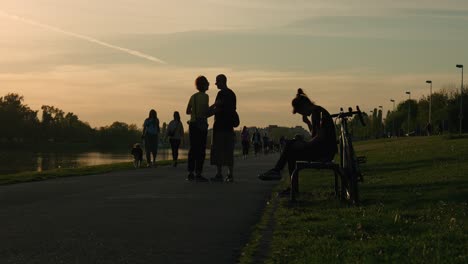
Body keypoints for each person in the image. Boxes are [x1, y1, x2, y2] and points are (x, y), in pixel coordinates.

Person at [259, 88, 337, 181]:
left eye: (300, 112)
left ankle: (278, 172)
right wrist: (308, 123)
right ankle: (281, 175)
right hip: (324, 150)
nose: (302, 114)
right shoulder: (317, 111)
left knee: (291, 148)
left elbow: (320, 137)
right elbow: (316, 135)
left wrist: (305, 144)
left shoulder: (317, 112)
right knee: (291, 148)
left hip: (324, 153)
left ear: (304, 106)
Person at [209, 74, 237, 182]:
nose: (216, 84)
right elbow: (233, 109)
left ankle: (219, 174)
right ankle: (230, 174)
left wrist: (205, 113)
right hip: (229, 126)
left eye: (217, 82)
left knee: (218, 150)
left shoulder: (221, 94)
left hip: (219, 125)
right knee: (228, 151)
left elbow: (217, 107)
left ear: (222, 82)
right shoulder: (232, 94)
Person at [186, 76, 210, 182]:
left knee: (193, 149)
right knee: (201, 149)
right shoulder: (205, 96)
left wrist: (194, 114)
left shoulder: (193, 96)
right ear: (204, 85)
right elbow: (206, 111)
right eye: (207, 83)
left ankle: (190, 173)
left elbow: (187, 111)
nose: (208, 84)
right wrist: (215, 107)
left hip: (192, 124)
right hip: (201, 124)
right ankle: (198, 173)